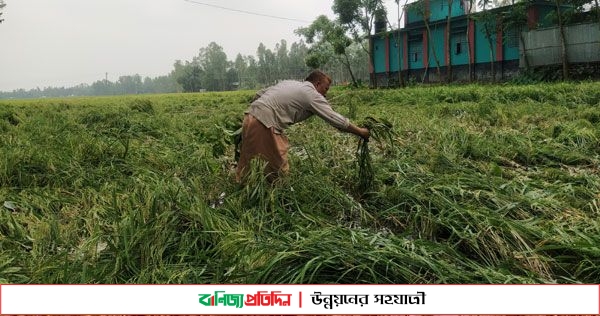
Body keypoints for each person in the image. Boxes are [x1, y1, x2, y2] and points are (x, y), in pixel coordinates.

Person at [236, 70, 370, 182]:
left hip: (250, 117)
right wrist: (361, 132)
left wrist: (255, 114)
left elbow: (259, 94)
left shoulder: (289, 83)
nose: (326, 93)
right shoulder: (311, 94)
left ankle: (243, 193)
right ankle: (276, 204)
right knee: (278, 172)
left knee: (248, 164)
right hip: (264, 123)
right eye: (325, 88)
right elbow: (336, 120)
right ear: (317, 83)